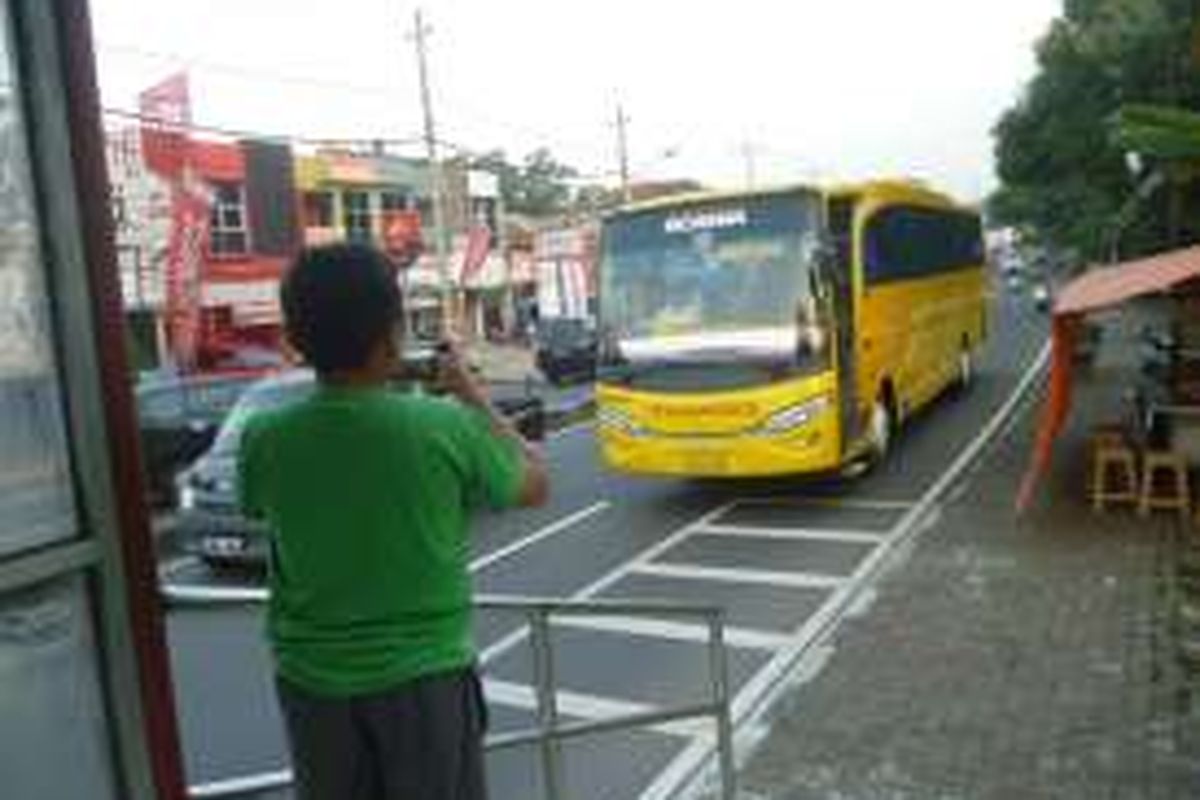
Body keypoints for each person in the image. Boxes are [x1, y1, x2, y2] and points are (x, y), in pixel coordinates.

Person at [238, 243, 549, 799]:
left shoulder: (264, 437)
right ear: (393, 333)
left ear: (295, 338)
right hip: (425, 684)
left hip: (312, 688)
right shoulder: (441, 426)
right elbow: (534, 482)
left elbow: (256, 505)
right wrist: (473, 395)